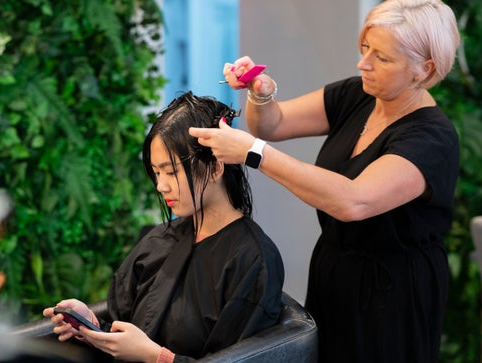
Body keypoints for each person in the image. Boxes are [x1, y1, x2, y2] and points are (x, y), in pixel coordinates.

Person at [188, 0, 460, 362]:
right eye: (365, 48)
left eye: (382, 57)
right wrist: (260, 91)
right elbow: (273, 124)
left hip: (393, 292)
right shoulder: (358, 94)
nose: (363, 63)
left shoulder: (432, 139)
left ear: (423, 69)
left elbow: (354, 202)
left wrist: (254, 153)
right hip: (335, 270)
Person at [43, 92, 285, 363]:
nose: (161, 186)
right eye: (157, 173)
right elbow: (123, 323)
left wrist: (156, 357)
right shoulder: (160, 239)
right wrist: (91, 326)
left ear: (216, 168)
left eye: (171, 172)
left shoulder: (253, 260)